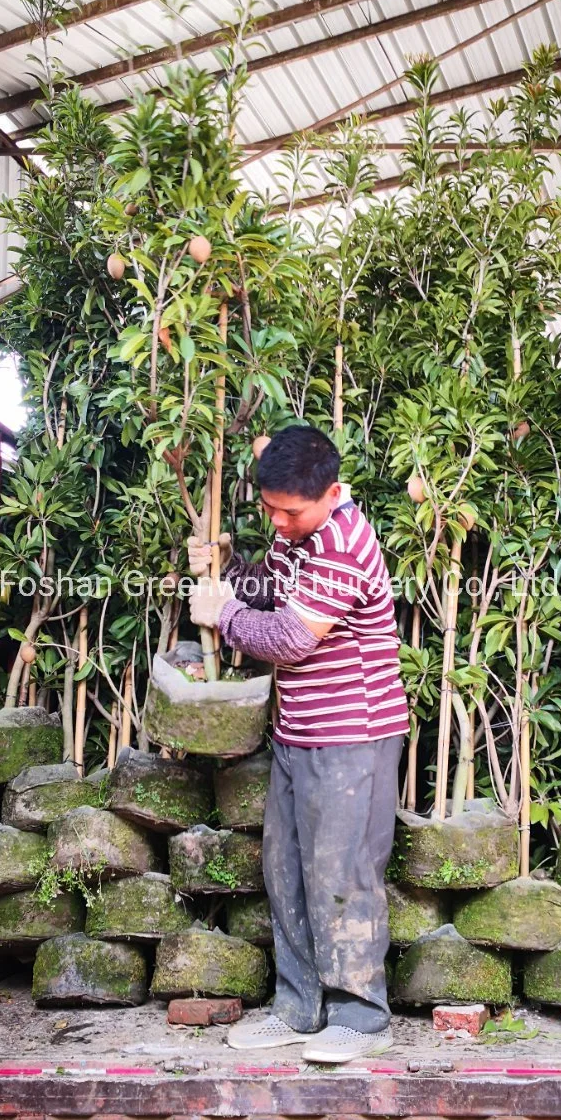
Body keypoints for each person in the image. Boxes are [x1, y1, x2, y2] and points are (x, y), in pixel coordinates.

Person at [188, 424, 409, 1063]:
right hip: (298, 730)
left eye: (291, 511)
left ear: (332, 492)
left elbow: (287, 637)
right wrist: (228, 570)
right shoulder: (296, 536)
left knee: (342, 875)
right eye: (270, 510)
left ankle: (359, 1016)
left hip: (352, 738)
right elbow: (275, 591)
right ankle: (298, 1008)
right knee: (284, 871)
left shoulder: (343, 541)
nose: (278, 522)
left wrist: (221, 614)